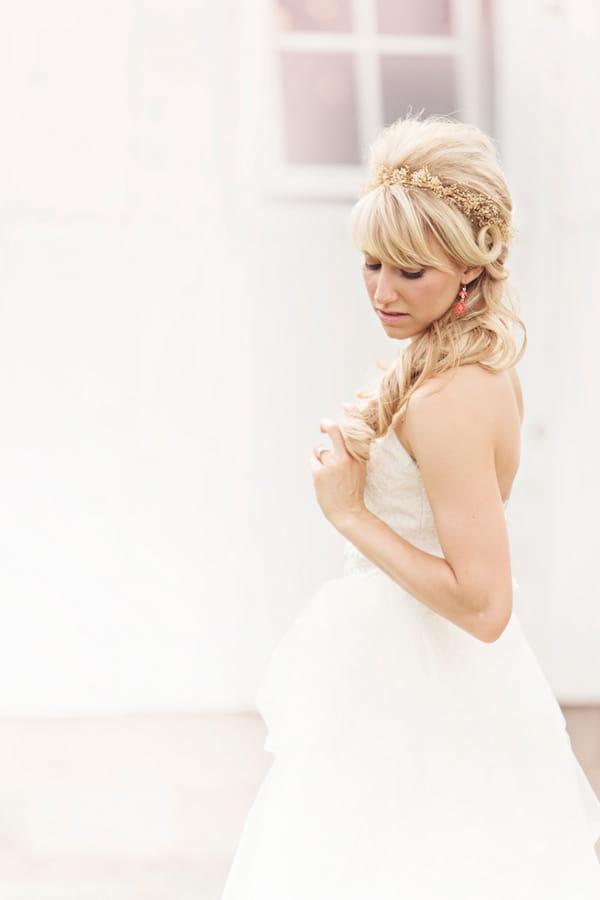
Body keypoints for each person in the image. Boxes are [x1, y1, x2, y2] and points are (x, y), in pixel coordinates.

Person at [220, 116, 600, 899]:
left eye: (410, 273)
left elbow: (485, 601)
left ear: (470, 268)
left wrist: (350, 513)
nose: (383, 293)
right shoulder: (473, 369)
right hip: (417, 673)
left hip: (424, 687)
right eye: (371, 265)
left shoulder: (449, 398)